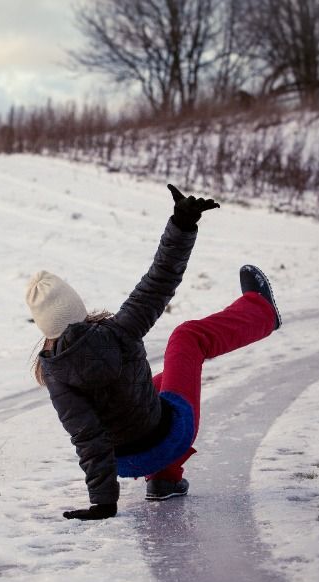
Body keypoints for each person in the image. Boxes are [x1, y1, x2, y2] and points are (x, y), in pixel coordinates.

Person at [26, 184, 280, 521]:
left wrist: (103, 503)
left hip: (126, 460)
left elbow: (87, 437)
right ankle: (261, 311)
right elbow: (159, 280)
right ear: (78, 308)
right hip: (168, 437)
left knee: (155, 383)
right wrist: (183, 223)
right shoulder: (119, 330)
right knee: (186, 337)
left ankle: (164, 481)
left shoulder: (55, 371)